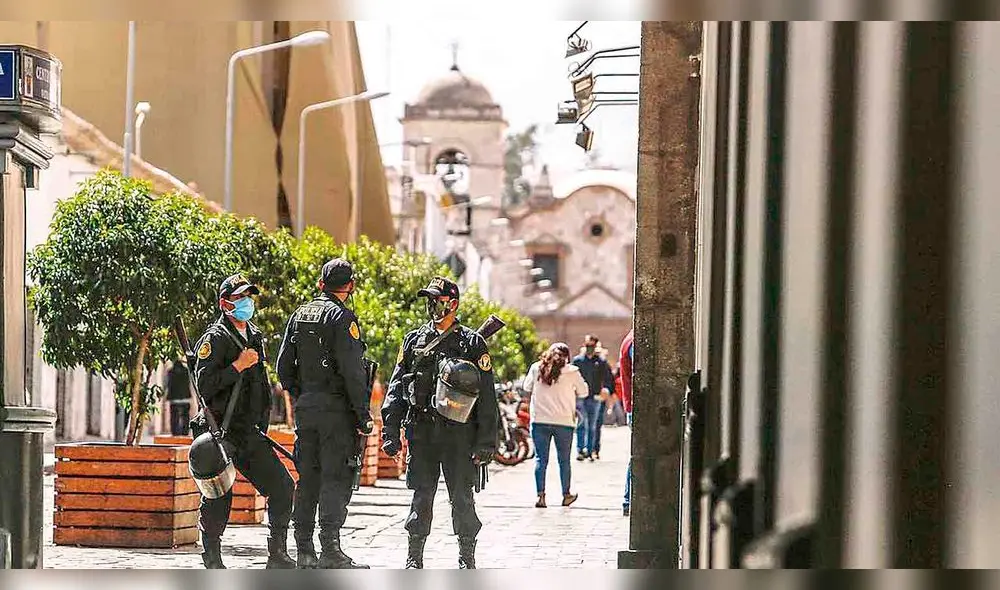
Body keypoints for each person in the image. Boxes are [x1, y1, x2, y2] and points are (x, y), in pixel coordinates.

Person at [380, 276, 499, 569]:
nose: (432, 305)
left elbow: (487, 397)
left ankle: (466, 557)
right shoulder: (413, 340)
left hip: (460, 436)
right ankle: (414, 558)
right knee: (421, 496)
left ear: (453, 304)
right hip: (422, 433)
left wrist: (486, 442)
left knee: (462, 498)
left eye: (438, 300)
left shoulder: (472, 343)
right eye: (429, 300)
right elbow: (397, 387)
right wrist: (390, 431)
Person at [191, 274, 295, 569]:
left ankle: (277, 554)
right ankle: (212, 557)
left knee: (282, 486)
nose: (247, 302)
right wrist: (237, 365)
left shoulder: (255, 335)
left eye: (249, 296)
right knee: (218, 494)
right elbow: (204, 385)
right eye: (240, 298)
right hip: (220, 431)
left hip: (249, 431)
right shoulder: (215, 338)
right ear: (224, 304)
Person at [276, 258, 373, 569]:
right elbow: (353, 373)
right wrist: (363, 415)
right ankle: (330, 548)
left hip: (307, 410)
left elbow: (283, 367)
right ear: (350, 286)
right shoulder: (342, 318)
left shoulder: (299, 314)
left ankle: (304, 548)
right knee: (335, 477)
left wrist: (302, 395)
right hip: (336, 413)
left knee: (308, 477)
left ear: (321, 284)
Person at [522, 342, 588, 508]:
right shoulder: (572, 371)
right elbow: (584, 392)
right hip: (564, 422)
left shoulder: (536, 368)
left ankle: (540, 496)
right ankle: (566, 495)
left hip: (539, 421)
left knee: (540, 459)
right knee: (564, 460)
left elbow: (526, 387)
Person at [572, 334, 614, 461]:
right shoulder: (578, 361)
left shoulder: (601, 362)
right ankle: (580, 450)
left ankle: (590, 450)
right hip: (580, 397)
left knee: (592, 425)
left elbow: (608, 379)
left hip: (595, 397)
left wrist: (606, 391)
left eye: (592, 346)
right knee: (581, 423)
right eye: (588, 345)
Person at [619, 329, 634, 517]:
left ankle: (628, 500)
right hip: (635, 406)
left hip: (631, 406)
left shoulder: (629, 340)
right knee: (638, 454)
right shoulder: (634, 342)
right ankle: (629, 500)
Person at [166, 359, 192, 435]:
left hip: (174, 399)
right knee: (185, 416)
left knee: (174, 416)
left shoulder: (170, 372)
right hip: (185, 398)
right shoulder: (186, 371)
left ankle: (175, 432)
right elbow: (189, 383)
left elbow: (168, 384)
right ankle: (185, 432)